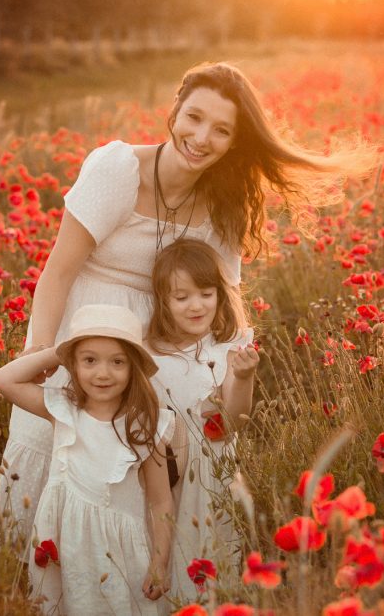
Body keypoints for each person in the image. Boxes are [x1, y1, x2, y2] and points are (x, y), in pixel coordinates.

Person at [0, 61, 374, 543]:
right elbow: (58, 271)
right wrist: (43, 349)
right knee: (59, 447)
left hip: (159, 346)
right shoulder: (118, 169)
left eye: (221, 130)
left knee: (135, 474)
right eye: (194, 117)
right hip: (84, 327)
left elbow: (223, 299)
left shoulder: (224, 201)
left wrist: (226, 376)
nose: (200, 137)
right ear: (174, 110)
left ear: (235, 142)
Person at [0, 304, 174, 615]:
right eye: (89, 360)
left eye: (117, 362)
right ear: (73, 365)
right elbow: (3, 379)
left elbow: (161, 502)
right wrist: (58, 352)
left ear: (133, 368)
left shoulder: (144, 426)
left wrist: (160, 560)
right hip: (65, 543)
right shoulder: (62, 410)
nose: (103, 373)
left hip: (116, 553)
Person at [146, 238, 259, 603]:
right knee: (167, 548)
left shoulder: (229, 348)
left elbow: (235, 421)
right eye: (182, 298)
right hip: (165, 478)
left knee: (211, 555)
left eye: (206, 293)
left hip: (212, 476)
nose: (196, 305)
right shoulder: (148, 354)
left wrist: (243, 378)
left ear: (220, 295)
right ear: (164, 302)